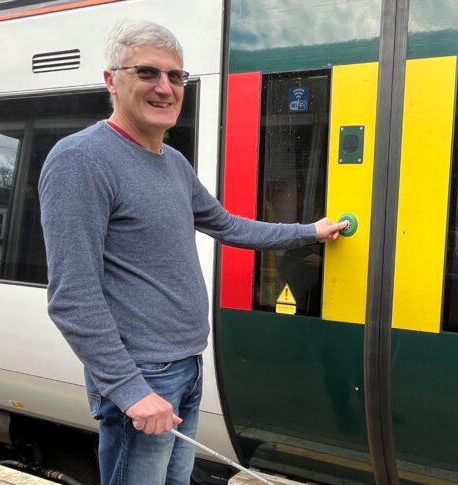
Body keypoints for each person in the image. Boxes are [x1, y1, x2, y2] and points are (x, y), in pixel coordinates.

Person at [38, 19, 347, 484]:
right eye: (147, 73)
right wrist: (129, 390)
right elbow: (72, 295)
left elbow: (226, 225)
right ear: (111, 80)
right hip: (143, 375)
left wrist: (309, 231)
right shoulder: (81, 159)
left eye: (175, 76)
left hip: (185, 365)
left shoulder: (173, 163)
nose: (165, 88)